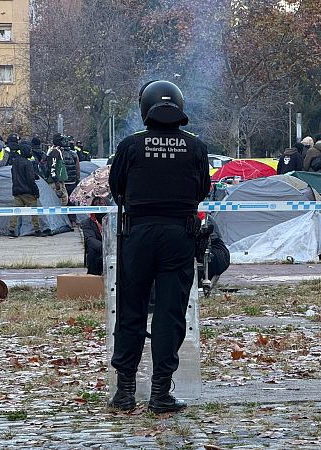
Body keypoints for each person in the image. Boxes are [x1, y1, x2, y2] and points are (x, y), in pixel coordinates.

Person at [108, 80, 211, 414]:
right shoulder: (195, 147)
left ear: (144, 108)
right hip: (178, 235)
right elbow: (202, 190)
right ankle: (160, 393)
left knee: (130, 311)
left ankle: (124, 392)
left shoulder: (130, 145)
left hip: (137, 234)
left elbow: (116, 188)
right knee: (169, 314)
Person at [8, 142, 43, 238]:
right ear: (26, 152)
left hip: (17, 190)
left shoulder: (15, 162)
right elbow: (30, 180)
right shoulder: (27, 163)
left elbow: (17, 175)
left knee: (16, 211)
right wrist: (36, 191)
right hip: (28, 192)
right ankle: (37, 229)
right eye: (30, 151)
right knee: (34, 211)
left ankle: (12, 229)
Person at [81, 197, 107, 275]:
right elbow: (90, 239)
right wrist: (105, 248)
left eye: (102, 204)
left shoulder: (113, 220)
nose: (99, 206)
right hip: (99, 250)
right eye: (96, 205)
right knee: (92, 249)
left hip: (113, 249)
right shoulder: (87, 222)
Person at [45, 135, 69, 206]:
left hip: (59, 181)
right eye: (62, 140)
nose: (64, 142)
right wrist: (56, 181)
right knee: (59, 202)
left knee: (64, 200)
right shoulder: (55, 152)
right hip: (56, 182)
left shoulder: (57, 151)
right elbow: (52, 167)